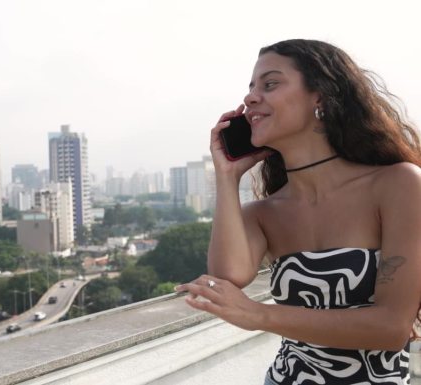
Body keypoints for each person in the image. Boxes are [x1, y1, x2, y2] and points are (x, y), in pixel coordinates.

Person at [174, 39, 421, 384]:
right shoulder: (263, 213)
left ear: (318, 95)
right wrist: (227, 178)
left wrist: (259, 314)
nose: (250, 98)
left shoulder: (398, 184)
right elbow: (228, 278)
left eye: (270, 84)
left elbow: (391, 328)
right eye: (251, 88)